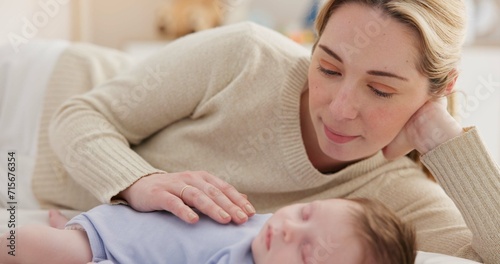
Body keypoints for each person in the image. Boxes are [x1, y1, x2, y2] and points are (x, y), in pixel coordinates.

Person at [28, 0, 500, 263]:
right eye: (329, 68)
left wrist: (444, 139)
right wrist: (138, 182)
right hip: (34, 103)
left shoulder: (400, 198)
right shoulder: (246, 56)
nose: (339, 110)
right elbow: (80, 117)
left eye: (379, 89)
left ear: (437, 90)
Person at [0, 198, 416, 264]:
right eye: (305, 213)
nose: (289, 229)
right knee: (48, 245)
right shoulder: (265, 229)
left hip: (124, 249)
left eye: (307, 254)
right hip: (122, 228)